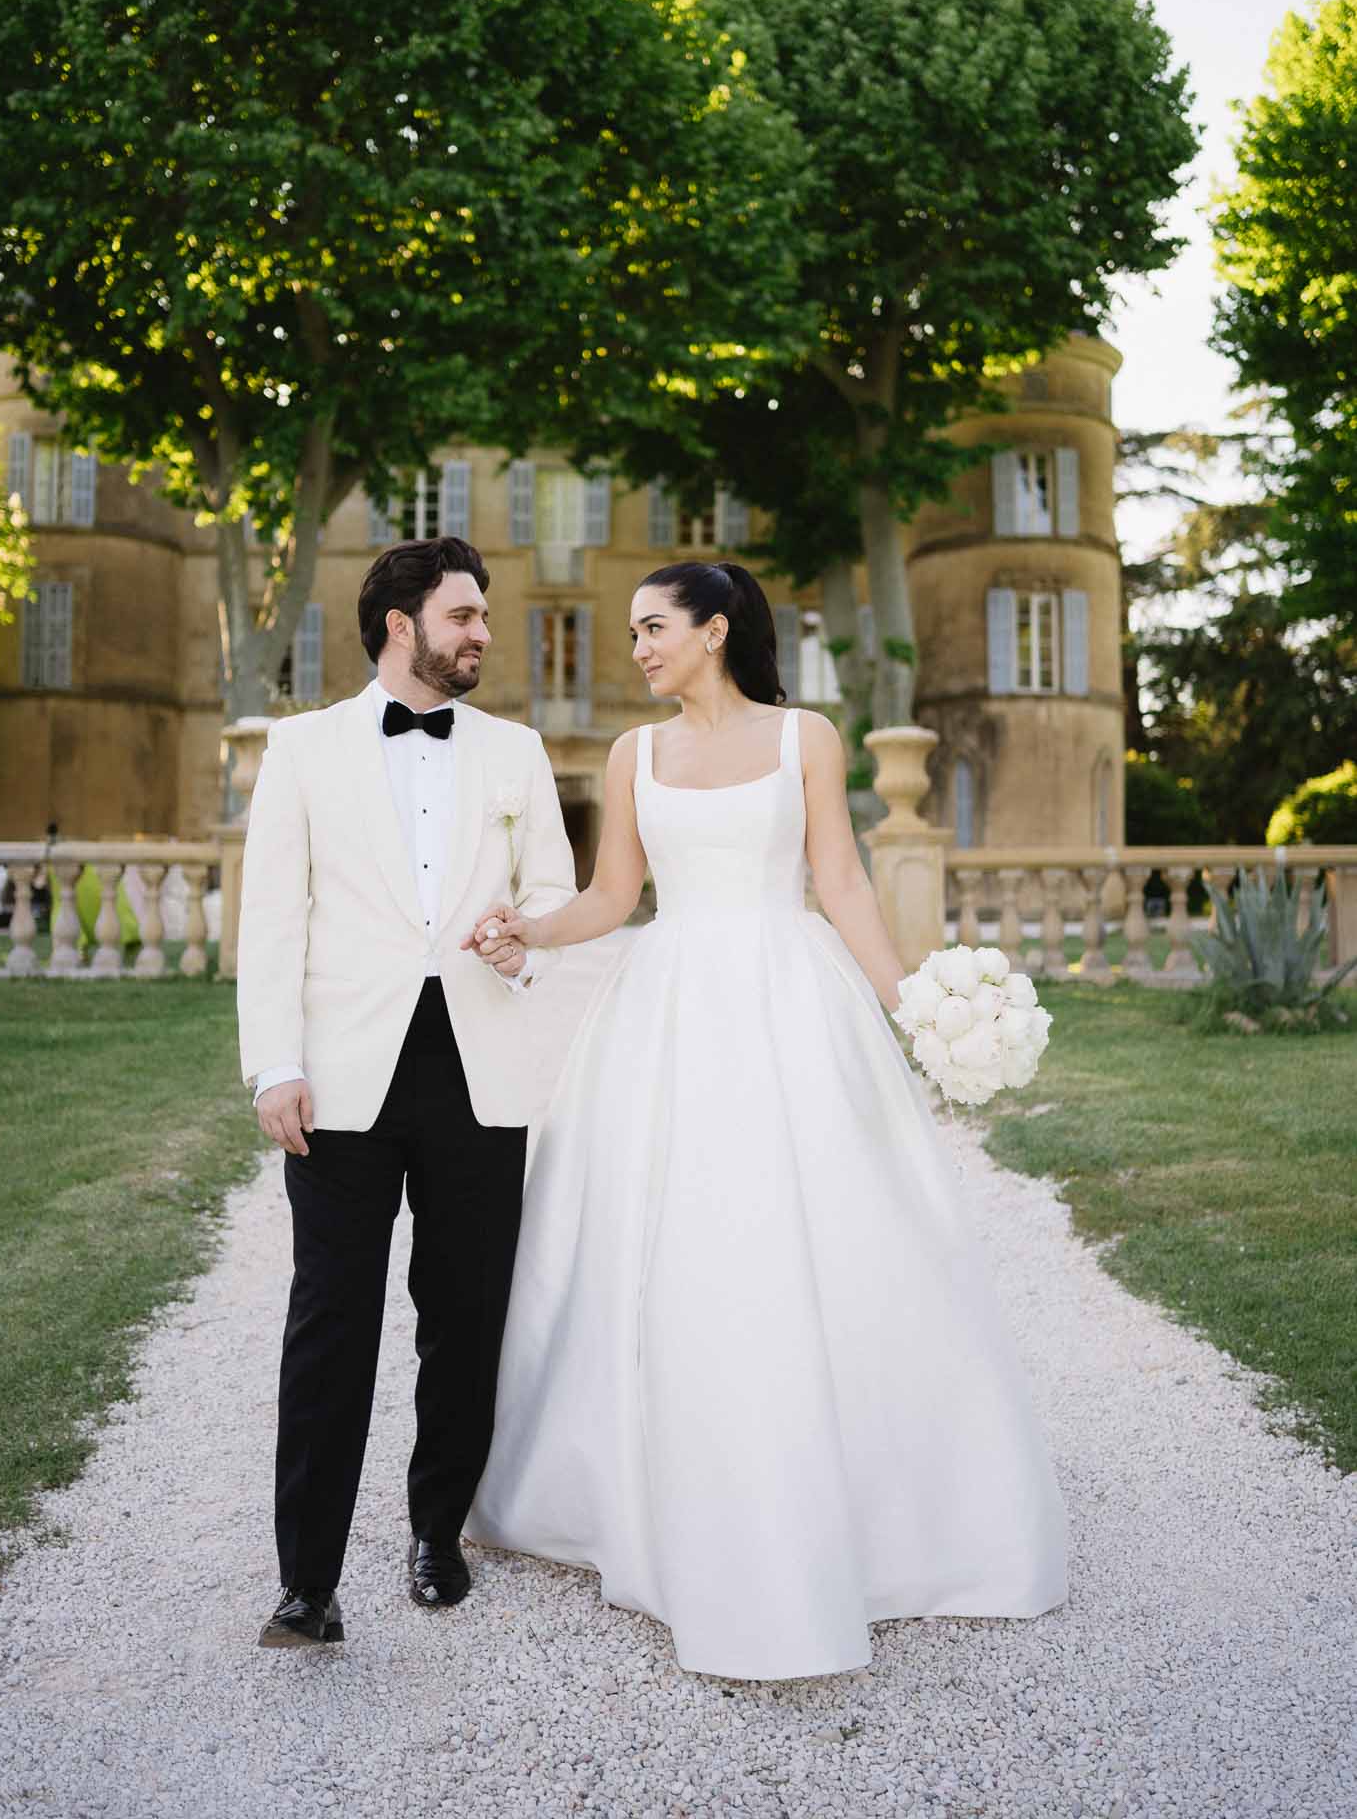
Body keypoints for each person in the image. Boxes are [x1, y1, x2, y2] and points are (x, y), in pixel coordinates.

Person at [464, 560, 1066, 1681]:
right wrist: (526, 934)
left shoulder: (808, 738)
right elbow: (611, 898)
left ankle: (882, 1505)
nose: (637, 646)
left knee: (835, 1226)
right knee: (672, 1240)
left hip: (791, 998)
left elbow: (840, 882)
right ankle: (647, 1493)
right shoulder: (633, 753)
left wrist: (916, 1006)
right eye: (634, 629)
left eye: (654, 626)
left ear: (716, 628)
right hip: (671, 1008)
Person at [237, 536, 576, 1648]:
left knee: (464, 1312)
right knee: (330, 1318)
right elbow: (272, 920)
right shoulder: (300, 747)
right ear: (400, 625)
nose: (483, 633)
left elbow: (555, 902)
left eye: (481, 617)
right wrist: (274, 1064)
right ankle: (307, 1581)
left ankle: (437, 1531)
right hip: (340, 1077)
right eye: (466, 615)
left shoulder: (518, 751)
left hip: (479, 1069)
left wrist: (525, 947)